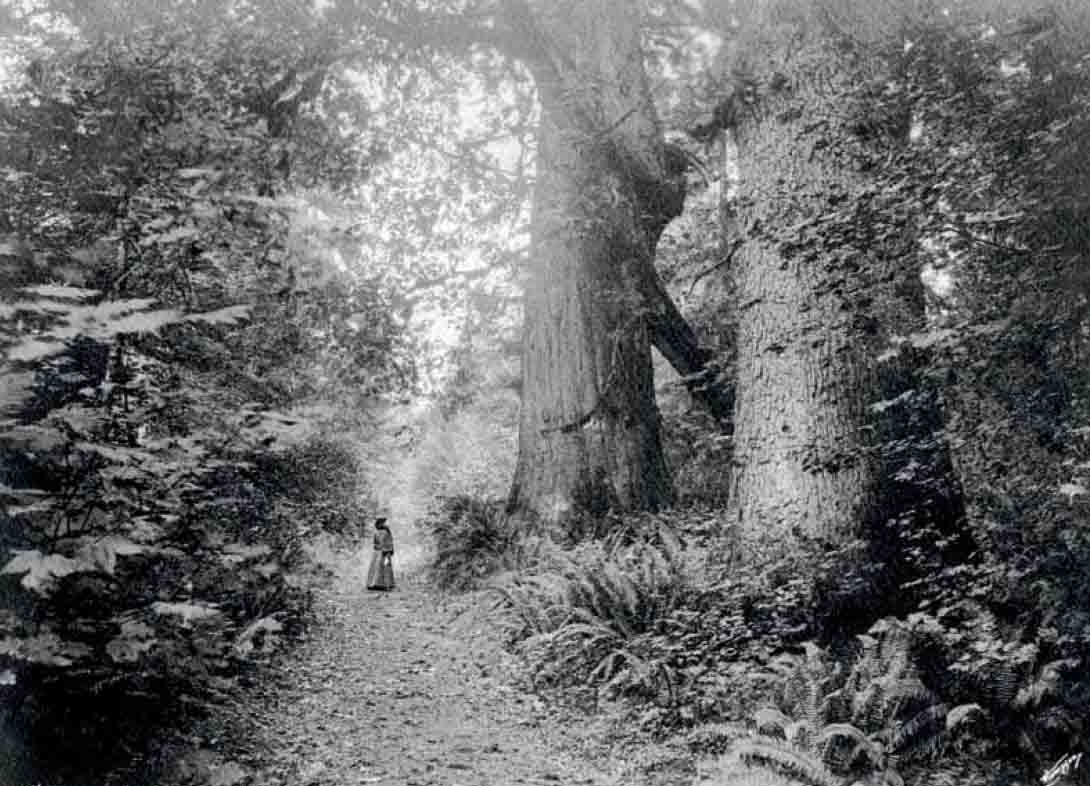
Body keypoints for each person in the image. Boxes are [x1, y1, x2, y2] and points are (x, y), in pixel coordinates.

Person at [366, 517, 395, 591]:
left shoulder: (378, 532)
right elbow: (388, 543)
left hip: (379, 552)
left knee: (378, 567)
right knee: (384, 567)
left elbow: (375, 544)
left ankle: (375, 583)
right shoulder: (385, 532)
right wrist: (389, 550)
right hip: (384, 552)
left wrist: (379, 548)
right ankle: (384, 584)